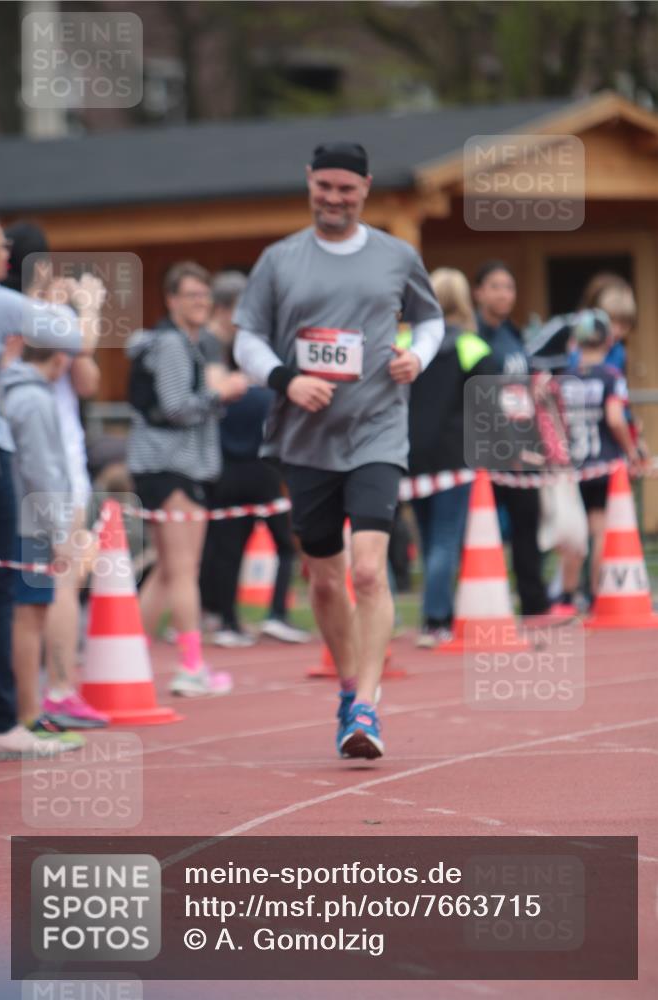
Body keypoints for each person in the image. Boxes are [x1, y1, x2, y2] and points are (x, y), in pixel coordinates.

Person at [233, 141, 444, 758]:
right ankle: (348, 687)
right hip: (305, 440)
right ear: (309, 183)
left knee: (369, 570)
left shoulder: (396, 255)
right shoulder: (279, 261)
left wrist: (417, 357)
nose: (334, 198)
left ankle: (367, 708)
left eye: (346, 189)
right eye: (325, 186)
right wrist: (286, 381)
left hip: (378, 430)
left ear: (366, 190)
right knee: (325, 583)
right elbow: (246, 338)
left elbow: (430, 321)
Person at [3, 222, 109, 729]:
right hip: (48, 456)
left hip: (36, 451)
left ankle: (32, 696)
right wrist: (86, 308)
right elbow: (84, 368)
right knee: (54, 577)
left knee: (31, 584)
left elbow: (86, 380)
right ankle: (55, 691)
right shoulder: (31, 313)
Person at [126, 261, 246, 696]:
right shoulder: (174, 346)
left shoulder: (186, 343)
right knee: (183, 571)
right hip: (173, 466)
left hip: (165, 465)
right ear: (171, 299)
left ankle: (125, 658)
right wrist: (222, 393)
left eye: (204, 296)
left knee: (164, 571)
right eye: (191, 295)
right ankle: (191, 665)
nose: (199, 303)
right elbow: (176, 406)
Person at [0, 215, 82, 760]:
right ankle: (12, 717)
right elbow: (71, 332)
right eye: (0, 245)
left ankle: (21, 711)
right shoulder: (1, 302)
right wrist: (64, 300)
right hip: (8, 475)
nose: (7, 256)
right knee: (10, 596)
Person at [199, 271, 309, 647]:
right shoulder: (259, 393)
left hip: (227, 473)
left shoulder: (232, 389)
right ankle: (275, 613)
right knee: (281, 544)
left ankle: (226, 619)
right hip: (261, 474)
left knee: (228, 549)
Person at [408, 268, 498, 647]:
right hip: (455, 457)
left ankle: (434, 612)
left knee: (429, 538)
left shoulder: (405, 342)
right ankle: (436, 618)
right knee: (446, 537)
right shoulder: (473, 347)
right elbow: (488, 406)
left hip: (410, 455)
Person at [1, 341, 84, 751]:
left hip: (21, 519)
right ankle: (27, 716)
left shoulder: (14, 389)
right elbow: (40, 469)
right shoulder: (32, 397)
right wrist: (57, 531)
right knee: (29, 617)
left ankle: (24, 712)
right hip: (27, 523)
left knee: (24, 615)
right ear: (60, 357)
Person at [474, 260, 551, 617]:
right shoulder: (471, 336)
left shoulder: (515, 335)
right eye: (495, 286)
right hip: (484, 448)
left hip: (523, 445)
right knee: (480, 528)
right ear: (478, 292)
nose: (504, 294)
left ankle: (534, 602)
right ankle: (481, 603)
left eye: (509, 286)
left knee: (527, 525)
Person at [559, 310, 642, 600]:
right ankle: (595, 593)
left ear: (576, 342)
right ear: (608, 340)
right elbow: (616, 418)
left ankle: (567, 596)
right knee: (599, 532)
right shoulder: (610, 376)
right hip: (603, 464)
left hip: (571, 467)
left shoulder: (563, 379)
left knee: (574, 534)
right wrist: (631, 451)